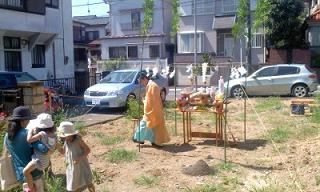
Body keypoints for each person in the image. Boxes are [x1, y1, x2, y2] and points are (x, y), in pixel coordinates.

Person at [4, 106, 49, 192]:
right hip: (34, 174)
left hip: (21, 176)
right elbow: (43, 150)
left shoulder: (7, 136)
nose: (28, 122)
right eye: (28, 119)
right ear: (22, 120)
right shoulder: (28, 134)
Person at [133, 72, 170, 147]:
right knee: (152, 127)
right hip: (154, 109)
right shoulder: (150, 85)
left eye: (141, 81)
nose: (142, 84)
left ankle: (139, 138)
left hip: (153, 110)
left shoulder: (152, 86)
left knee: (144, 124)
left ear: (144, 79)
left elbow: (151, 101)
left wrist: (144, 101)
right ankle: (153, 141)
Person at [56, 121, 95, 192]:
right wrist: (57, 145)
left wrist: (79, 159)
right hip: (72, 167)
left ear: (70, 134)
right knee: (74, 185)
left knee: (88, 181)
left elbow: (88, 150)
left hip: (81, 164)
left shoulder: (78, 140)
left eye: (64, 135)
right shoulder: (66, 141)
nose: (62, 137)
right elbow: (63, 152)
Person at [23, 113, 57, 192]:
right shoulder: (54, 135)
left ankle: (31, 189)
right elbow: (53, 148)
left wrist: (31, 130)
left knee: (25, 172)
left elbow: (29, 139)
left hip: (38, 161)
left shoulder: (42, 134)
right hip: (46, 162)